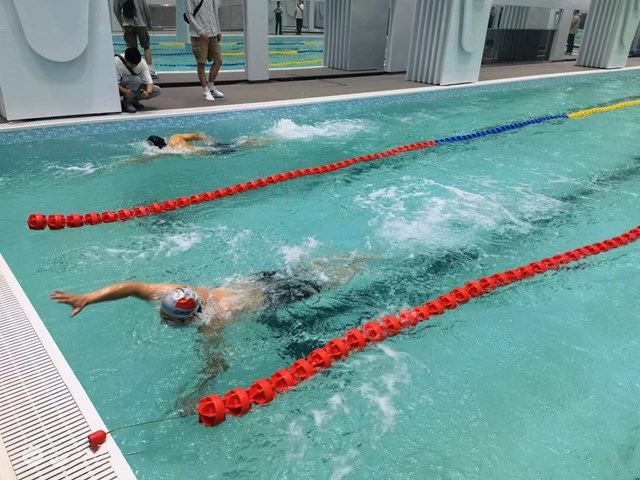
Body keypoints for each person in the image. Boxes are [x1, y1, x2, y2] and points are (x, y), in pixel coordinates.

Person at [184, 0, 224, 102]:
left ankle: (211, 86)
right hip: (199, 35)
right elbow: (189, 14)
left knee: (218, 60)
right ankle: (205, 90)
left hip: (213, 33)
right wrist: (200, 31)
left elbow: (215, 12)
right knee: (201, 63)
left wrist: (218, 30)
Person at [113, 0, 158, 79]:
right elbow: (146, 8)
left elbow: (116, 10)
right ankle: (149, 70)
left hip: (127, 24)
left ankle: (134, 70)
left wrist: (122, 23)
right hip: (141, 24)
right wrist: (149, 22)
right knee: (146, 46)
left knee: (132, 49)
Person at [115, 47, 161, 113]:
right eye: (131, 64)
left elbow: (149, 82)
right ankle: (125, 101)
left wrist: (148, 93)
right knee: (136, 79)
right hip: (118, 89)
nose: (134, 66)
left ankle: (132, 100)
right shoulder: (116, 62)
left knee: (156, 90)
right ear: (125, 59)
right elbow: (114, 83)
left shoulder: (142, 63)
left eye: (136, 64)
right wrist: (125, 91)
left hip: (132, 88)